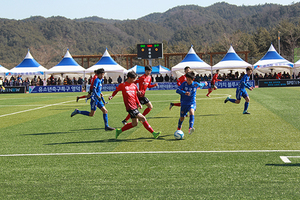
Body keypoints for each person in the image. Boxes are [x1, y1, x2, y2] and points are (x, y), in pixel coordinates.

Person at [108, 71, 161, 139]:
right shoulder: (123, 85)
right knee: (143, 118)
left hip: (134, 106)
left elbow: (135, 96)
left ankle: (119, 131)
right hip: (130, 107)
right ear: (129, 78)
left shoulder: (134, 85)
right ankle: (153, 133)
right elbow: (116, 90)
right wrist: (112, 96)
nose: (135, 80)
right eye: (134, 79)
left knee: (134, 124)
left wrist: (139, 104)